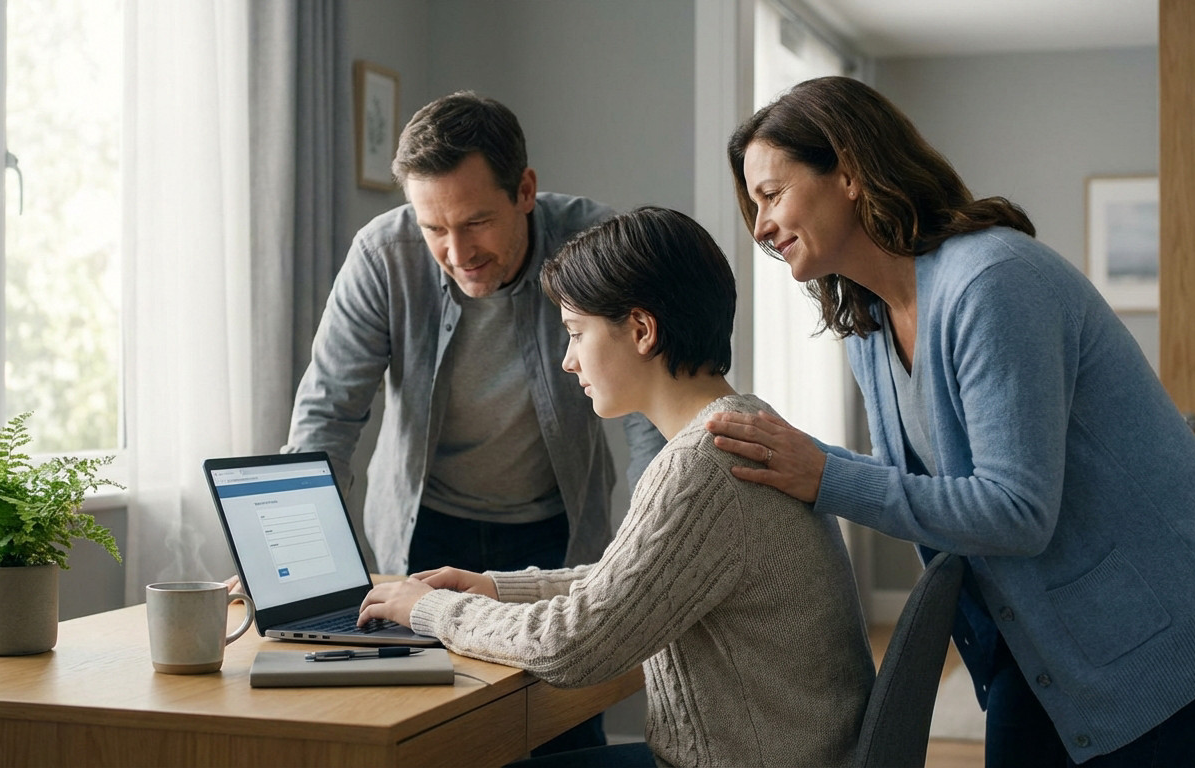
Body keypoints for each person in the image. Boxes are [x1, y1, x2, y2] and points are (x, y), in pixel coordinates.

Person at [705, 76, 1195, 768]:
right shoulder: (867, 322)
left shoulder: (991, 282)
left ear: (847, 173)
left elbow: (1015, 511)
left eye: (771, 194)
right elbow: (909, 479)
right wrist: (787, 458)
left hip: (1147, 629)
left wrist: (822, 475)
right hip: (1040, 635)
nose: (759, 226)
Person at [356, 207, 876, 768]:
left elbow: (570, 648)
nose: (568, 360)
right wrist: (495, 588)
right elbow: (638, 582)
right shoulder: (738, 427)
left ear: (641, 330)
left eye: (577, 333)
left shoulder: (703, 465)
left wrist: (432, 610)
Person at [284, 91, 664, 754]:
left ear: (525, 190)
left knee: (561, 736)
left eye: (475, 223)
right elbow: (328, 413)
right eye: (434, 228)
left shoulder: (591, 246)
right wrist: (288, 553)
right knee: (430, 742)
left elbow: (653, 412)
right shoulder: (383, 256)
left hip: (557, 535)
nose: (457, 251)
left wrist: (654, 537)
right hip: (426, 537)